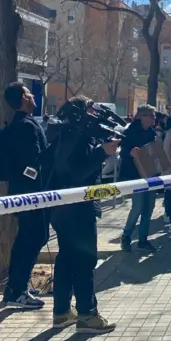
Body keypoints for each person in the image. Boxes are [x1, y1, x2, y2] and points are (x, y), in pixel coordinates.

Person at [47, 96, 118, 334]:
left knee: (66, 259)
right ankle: (88, 315)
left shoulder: (63, 132)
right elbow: (76, 172)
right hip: (77, 208)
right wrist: (101, 152)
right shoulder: (74, 136)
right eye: (90, 108)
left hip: (62, 209)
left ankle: (62, 312)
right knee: (85, 261)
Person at [1, 82, 49, 309]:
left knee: (29, 237)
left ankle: (16, 287)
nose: (33, 96)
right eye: (29, 93)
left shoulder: (22, 123)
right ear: (22, 99)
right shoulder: (24, 126)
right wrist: (37, 182)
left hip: (26, 193)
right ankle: (17, 290)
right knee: (34, 236)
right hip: (30, 194)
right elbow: (31, 163)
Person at [119, 104, 158, 252]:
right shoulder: (130, 131)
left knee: (149, 208)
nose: (154, 118)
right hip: (135, 175)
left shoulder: (152, 132)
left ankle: (143, 240)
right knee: (138, 206)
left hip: (151, 174)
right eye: (151, 115)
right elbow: (123, 151)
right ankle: (126, 236)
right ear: (141, 116)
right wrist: (130, 152)